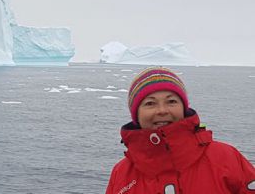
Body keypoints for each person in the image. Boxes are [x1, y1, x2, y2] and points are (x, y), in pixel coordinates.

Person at [106, 67, 255, 194]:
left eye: (171, 101)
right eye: (150, 103)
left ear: (184, 108)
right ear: (136, 114)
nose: (162, 110)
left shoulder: (226, 158)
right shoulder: (121, 173)